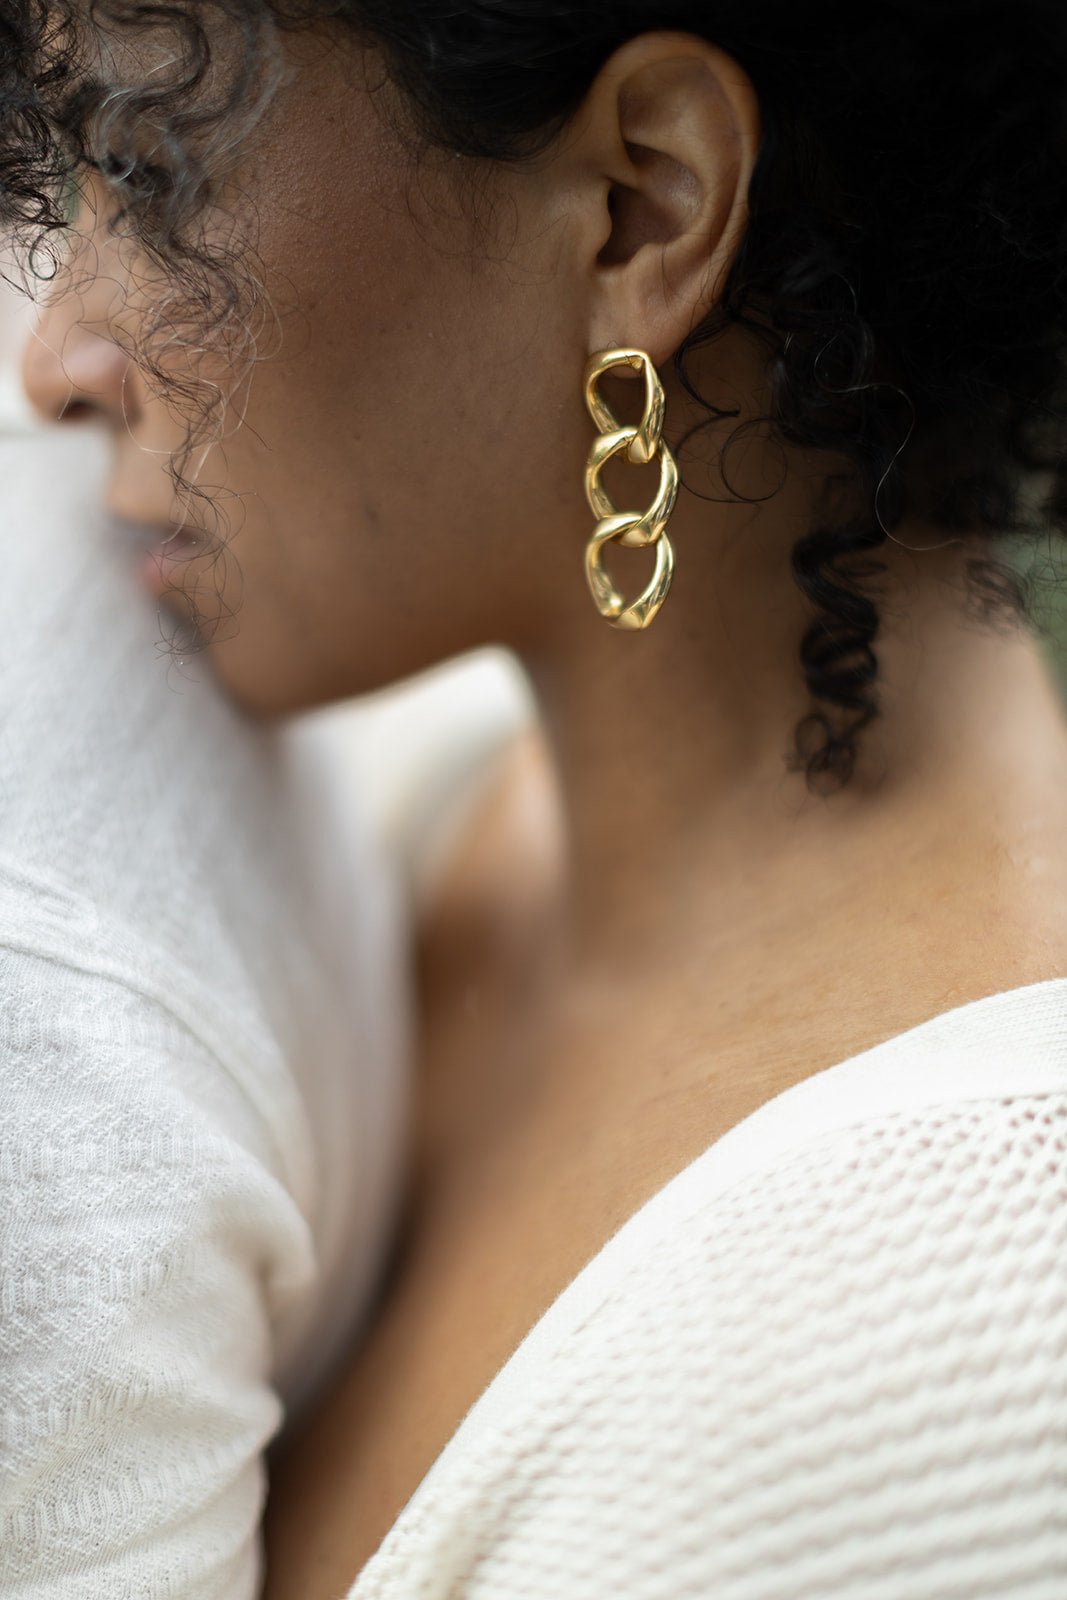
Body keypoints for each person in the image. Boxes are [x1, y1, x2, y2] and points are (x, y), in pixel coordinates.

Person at [7, 3, 1067, 1596]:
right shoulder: (413, 821)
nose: (52, 361)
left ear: (644, 204)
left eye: (153, 172)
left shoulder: (957, 1390)